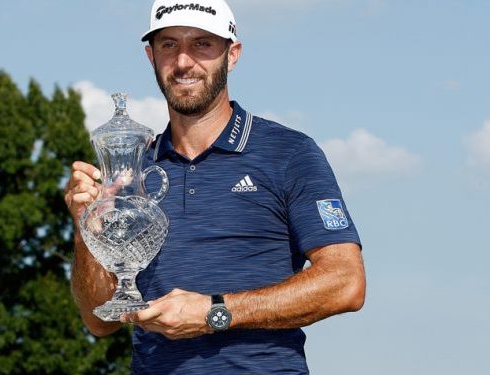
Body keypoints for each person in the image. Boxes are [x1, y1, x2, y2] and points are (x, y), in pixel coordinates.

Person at [65, 0, 366, 373]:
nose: (183, 62)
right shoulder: (131, 175)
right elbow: (100, 321)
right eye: (169, 45)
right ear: (151, 56)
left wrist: (215, 312)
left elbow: (345, 282)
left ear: (232, 54)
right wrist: (85, 227)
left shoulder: (288, 153)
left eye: (203, 44)